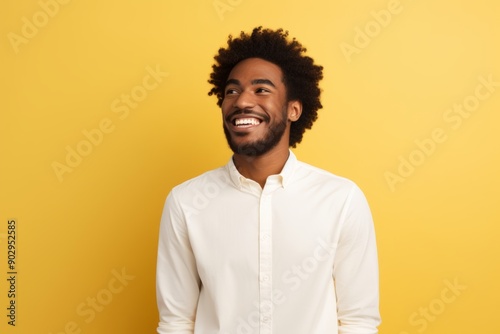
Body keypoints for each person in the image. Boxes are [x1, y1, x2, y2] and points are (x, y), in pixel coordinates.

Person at [156, 27, 380, 334]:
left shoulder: (341, 200)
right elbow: (177, 323)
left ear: (293, 109)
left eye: (261, 90)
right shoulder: (185, 202)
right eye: (232, 91)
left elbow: (357, 322)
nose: (241, 101)